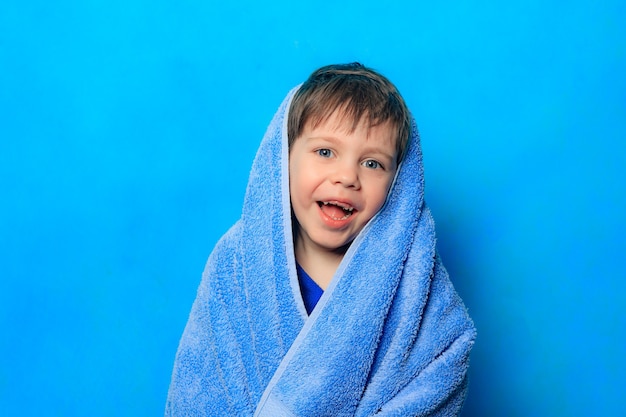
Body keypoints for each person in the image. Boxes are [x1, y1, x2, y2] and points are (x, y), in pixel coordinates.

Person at [165, 63, 476, 416]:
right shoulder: (238, 262)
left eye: (372, 164)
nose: (346, 177)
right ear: (283, 158)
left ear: (398, 184)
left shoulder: (414, 286)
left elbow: (439, 368)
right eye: (325, 152)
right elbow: (203, 381)